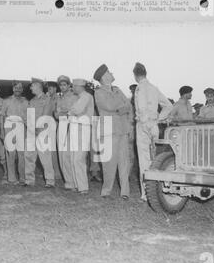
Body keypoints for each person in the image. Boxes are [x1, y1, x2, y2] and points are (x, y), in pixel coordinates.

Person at [133, 62, 172, 202]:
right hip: (153, 125)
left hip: (143, 125)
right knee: (154, 159)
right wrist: (158, 119)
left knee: (144, 160)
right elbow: (168, 105)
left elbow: (142, 107)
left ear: (135, 75)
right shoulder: (154, 88)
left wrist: (146, 122)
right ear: (145, 73)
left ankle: (146, 194)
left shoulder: (139, 88)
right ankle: (155, 191)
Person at [94, 64, 133, 200]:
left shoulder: (117, 90)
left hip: (122, 129)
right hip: (109, 130)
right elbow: (109, 106)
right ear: (104, 77)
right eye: (109, 72)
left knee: (124, 162)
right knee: (109, 163)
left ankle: (125, 192)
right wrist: (120, 107)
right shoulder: (99, 92)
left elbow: (128, 106)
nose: (112, 73)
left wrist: (119, 109)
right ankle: (106, 190)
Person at [24, 78, 55, 187]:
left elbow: (45, 116)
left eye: (32, 85)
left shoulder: (48, 99)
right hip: (32, 132)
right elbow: (28, 116)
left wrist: (38, 129)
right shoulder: (32, 101)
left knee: (45, 157)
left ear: (38, 86)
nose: (31, 87)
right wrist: (31, 128)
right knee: (29, 156)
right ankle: (29, 180)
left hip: (43, 132)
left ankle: (50, 181)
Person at [68, 79, 94, 194]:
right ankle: (76, 185)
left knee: (79, 158)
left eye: (74, 86)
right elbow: (73, 111)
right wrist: (71, 112)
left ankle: (83, 187)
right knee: (74, 157)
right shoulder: (79, 97)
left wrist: (71, 112)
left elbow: (77, 110)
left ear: (79, 86)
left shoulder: (86, 96)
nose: (72, 88)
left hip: (82, 128)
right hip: (75, 127)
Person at [0, 81, 28, 185]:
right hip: (9, 126)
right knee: (10, 153)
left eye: (20, 88)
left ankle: (22, 177)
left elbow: (27, 117)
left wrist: (28, 130)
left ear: (22, 89)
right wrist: (2, 132)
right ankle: (11, 178)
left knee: (21, 153)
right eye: (16, 87)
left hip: (21, 127)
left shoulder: (25, 101)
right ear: (13, 89)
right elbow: (1, 116)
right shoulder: (6, 101)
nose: (18, 89)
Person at [54, 75, 79, 190]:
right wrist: (62, 113)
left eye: (65, 84)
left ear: (69, 85)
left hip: (71, 125)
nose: (62, 87)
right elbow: (56, 114)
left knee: (69, 154)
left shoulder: (74, 96)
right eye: (61, 85)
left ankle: (74, 181)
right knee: (62, 154)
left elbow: (73, 112)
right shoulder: (59, 98)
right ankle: (68, 181)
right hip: (62, 125)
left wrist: (62, 112)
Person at [45, 81, 62, 181]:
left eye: (50, 88)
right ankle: (54, 171)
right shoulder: (49, 98)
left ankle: (57, 172)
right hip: (49, 124)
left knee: (54, 150)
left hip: (55, 124)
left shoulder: (57, 99)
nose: (48, 90)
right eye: (48, 89)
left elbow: (54, 112)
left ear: (55, 88)